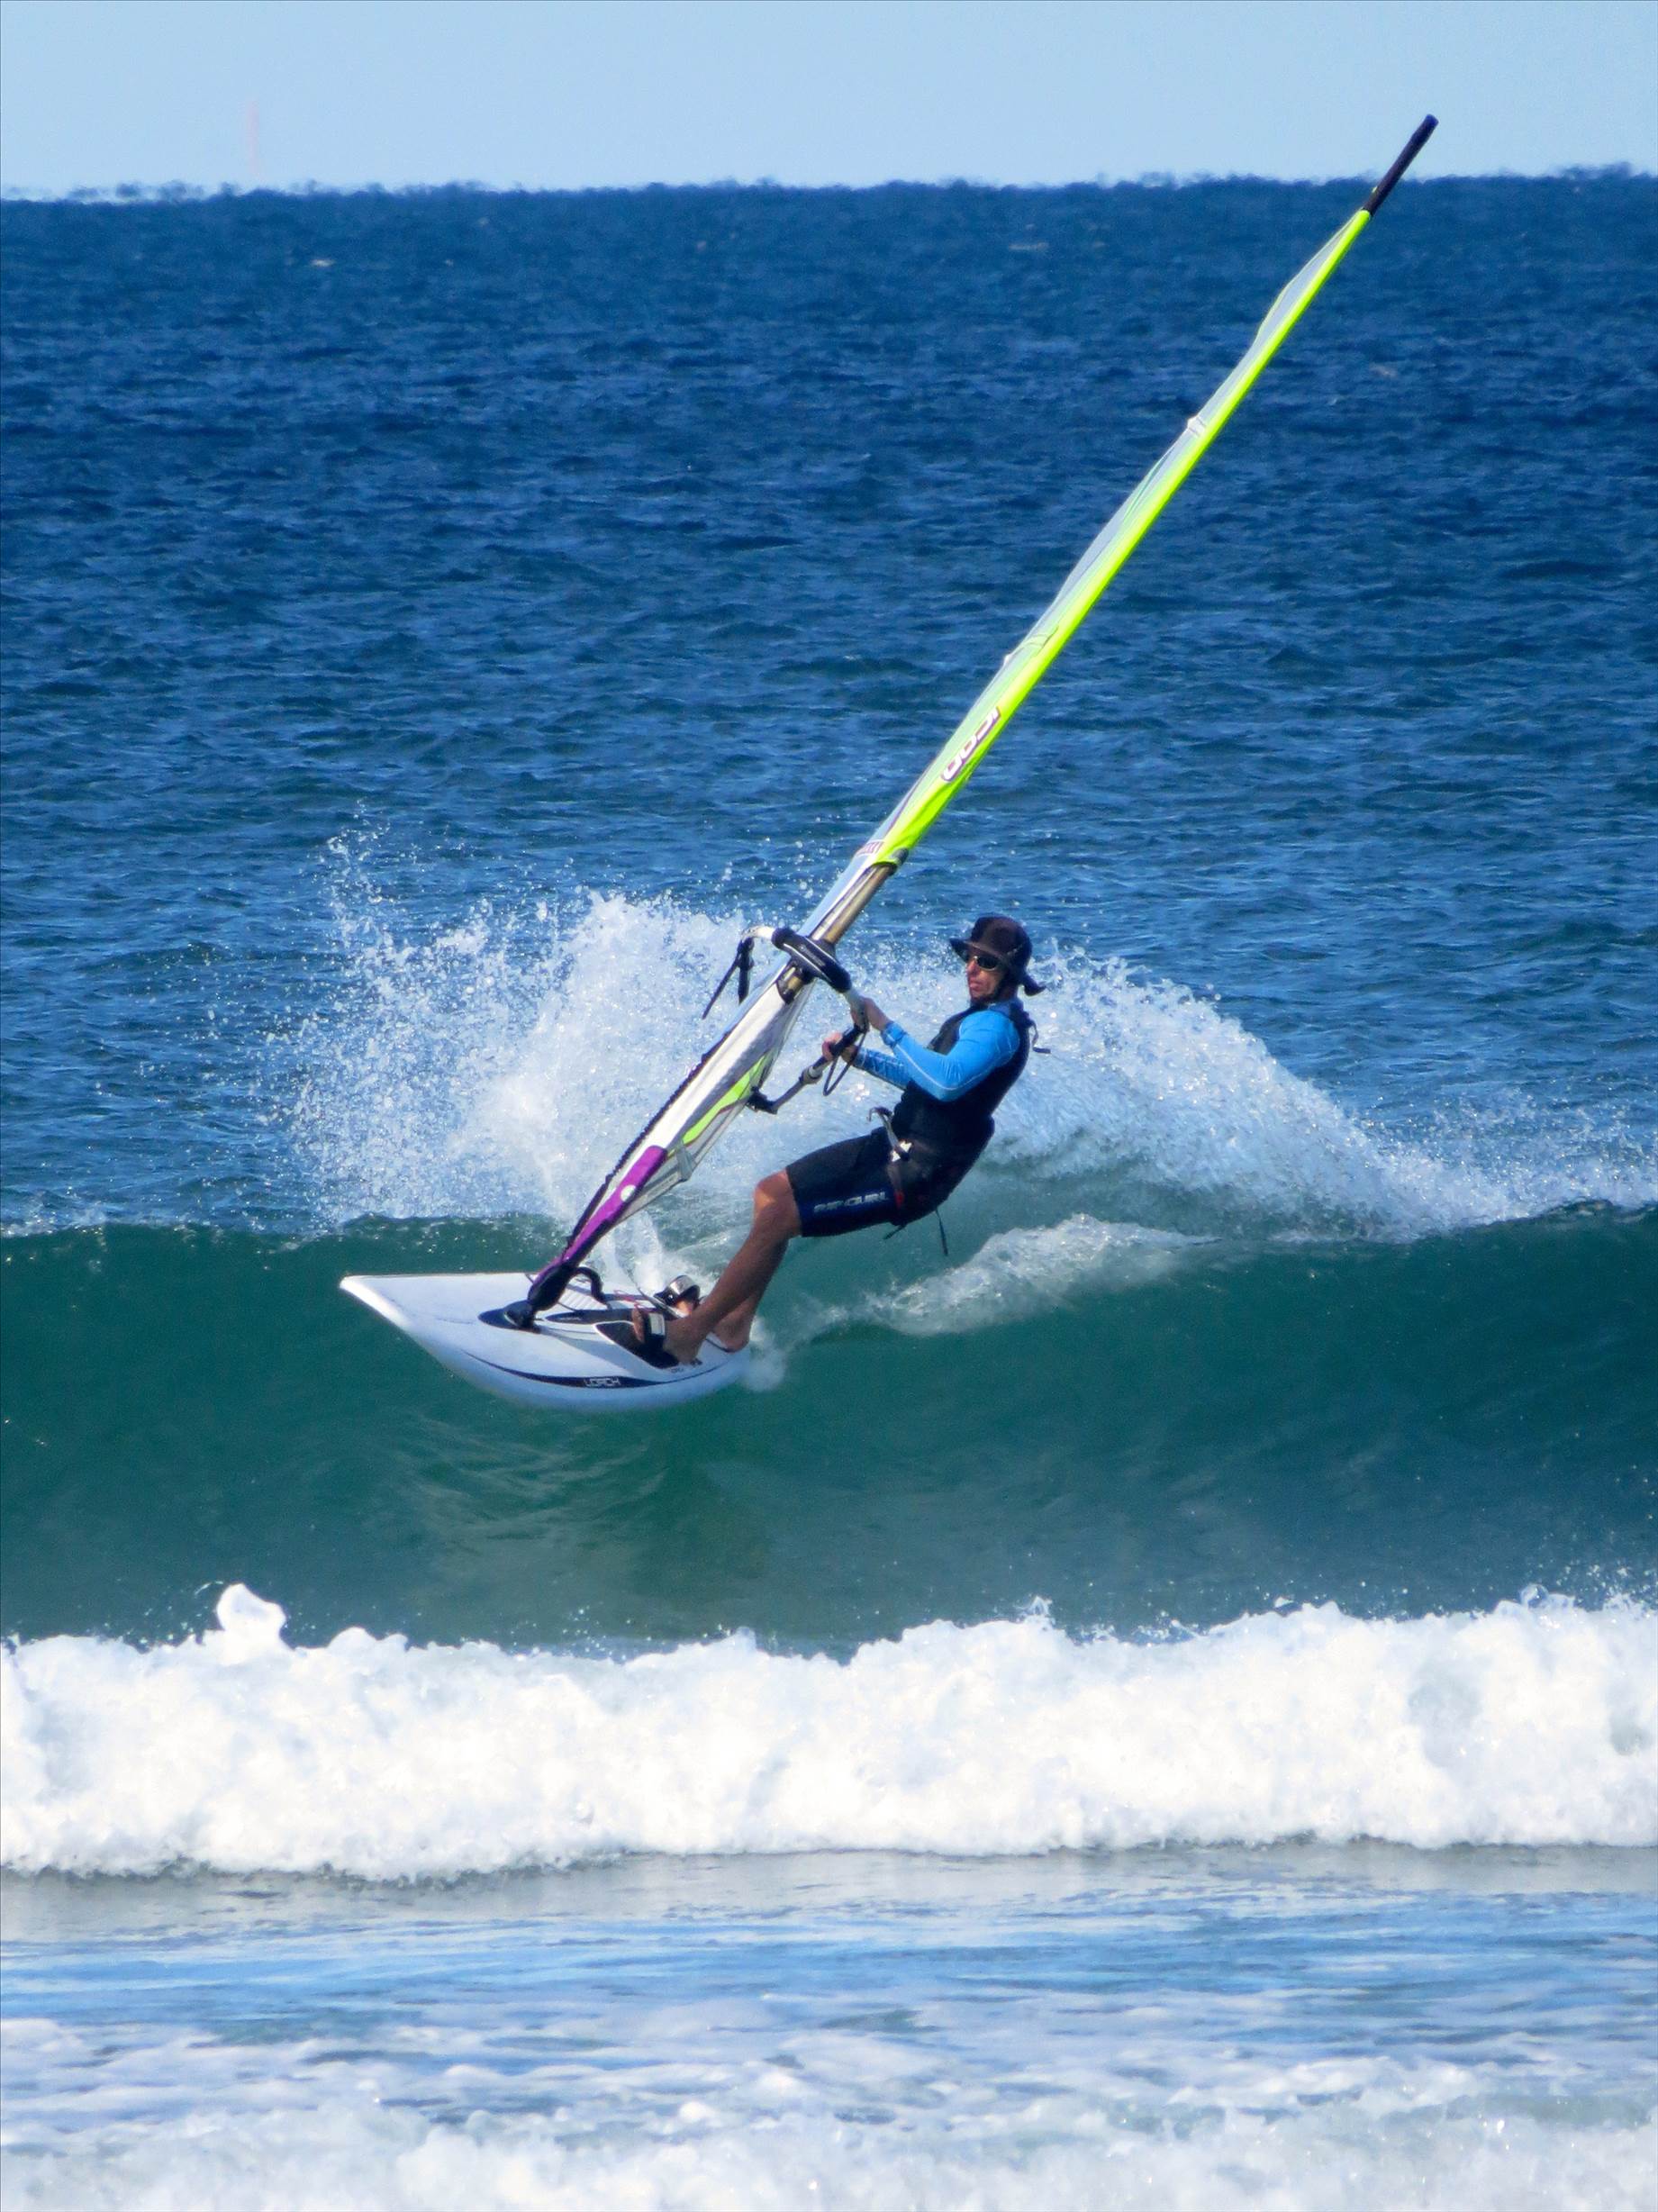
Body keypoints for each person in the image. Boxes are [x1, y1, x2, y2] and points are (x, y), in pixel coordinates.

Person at [626, 913, 1043, 1368]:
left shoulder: (998, 1029)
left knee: (779, 1218)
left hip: (915, 1173)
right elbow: (922, 1079)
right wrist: (858, 1057)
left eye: (986, 962)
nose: (972, 968)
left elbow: (944, 1084)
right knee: (770, 1194)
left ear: (1010, 975)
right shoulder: (978, 1020)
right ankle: (733, 1325)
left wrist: (886, 1025)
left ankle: (689, 1335)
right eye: (970, 957)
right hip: (891, 1145)